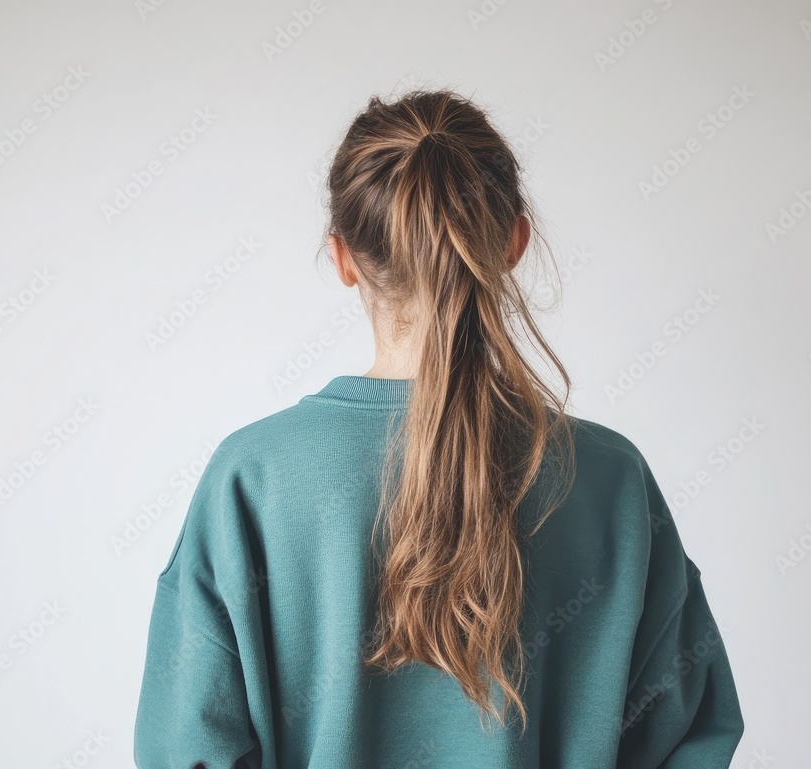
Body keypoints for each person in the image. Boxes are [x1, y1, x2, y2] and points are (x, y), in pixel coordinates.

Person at [133, 89, 744, 768]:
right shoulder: (609, 479)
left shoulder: (253, 478)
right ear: (514, 242)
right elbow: (686, 737)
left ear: (343, 258)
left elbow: (189, 748)